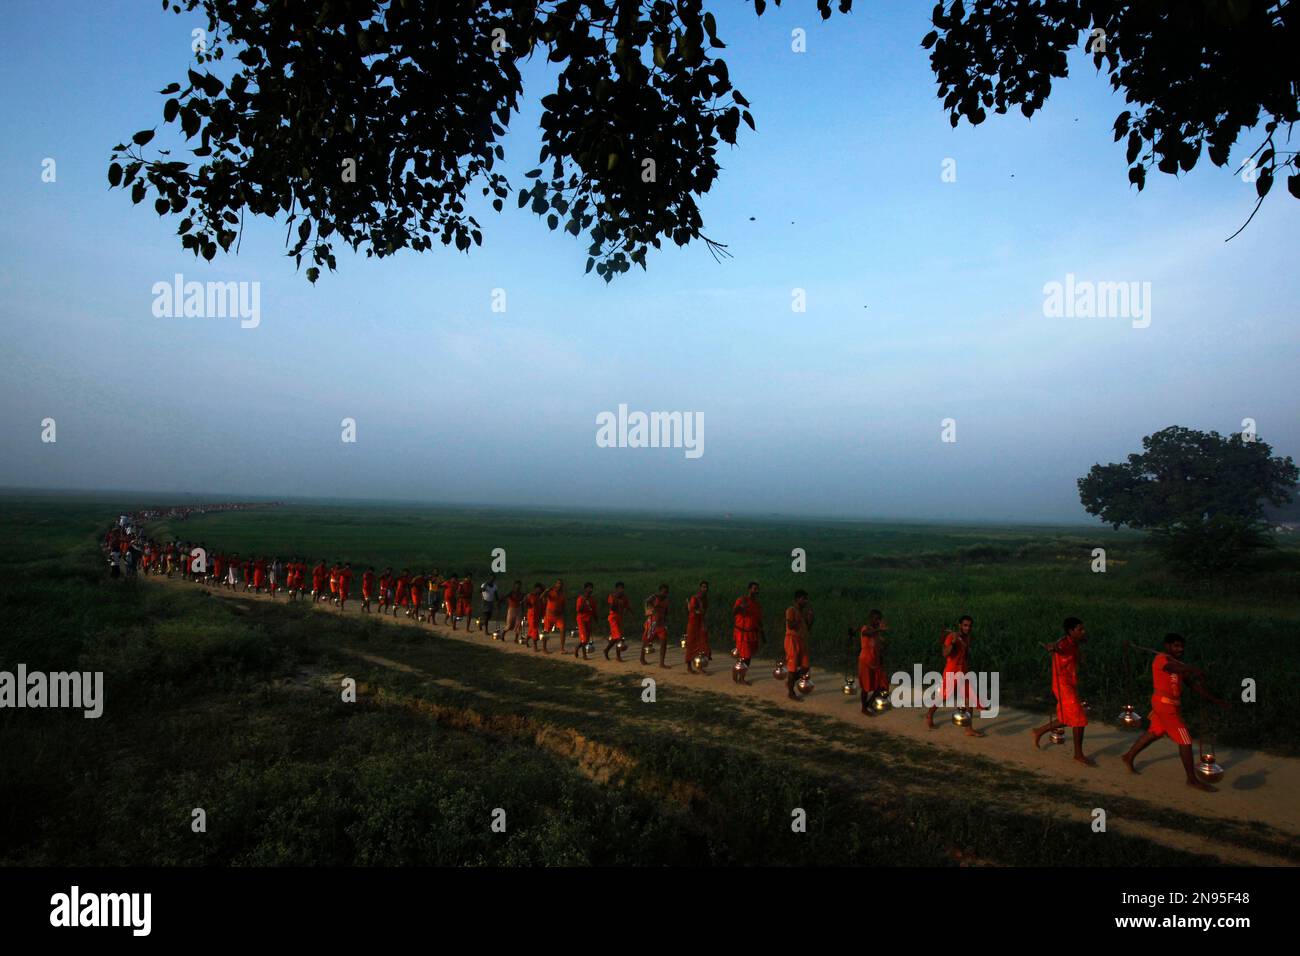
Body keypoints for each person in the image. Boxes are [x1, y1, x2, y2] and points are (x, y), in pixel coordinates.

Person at [1122, 634, 1231, 790]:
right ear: (1167, 646)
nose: (1180, 649)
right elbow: (1172, 668)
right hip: (1164, 705)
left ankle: (1128, 757)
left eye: (1182, 646)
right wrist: (1193, 669)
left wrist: (1215, 700)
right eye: (1176, 646)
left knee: (1155, 732)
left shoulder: (1179, 664)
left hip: (1170, 705)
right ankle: (1192, 780)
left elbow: (1192, 685)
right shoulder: (1162, 659)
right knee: (1185, 740)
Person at [1031, 617, 1094, 765]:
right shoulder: (1063, 644)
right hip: (1062, 685)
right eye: (1080, 629)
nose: (1083, 631)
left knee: (1068, 716)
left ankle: (1039, 731)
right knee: (1079, 719)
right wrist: (1052, 648)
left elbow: (1080, 646)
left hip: (1070, 683)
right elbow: (1059, 648)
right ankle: (1078, 754)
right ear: (1071, 631)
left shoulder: (1074, 641)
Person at [925, 615, 984, 737]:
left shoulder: (967, 638)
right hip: (951, 670)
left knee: (970, 699)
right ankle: (930, 714)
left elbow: (965, 653)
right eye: (965, 625)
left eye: (969, 626)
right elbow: (945, 653)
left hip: (963, 671)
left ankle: (968, 729)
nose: (968, 628)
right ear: (960, 625)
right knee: (944, 696)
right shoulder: (952, 636)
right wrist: (953, 641)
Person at [731, 582, 764, 685]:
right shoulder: (742, 600)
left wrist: (762, 634)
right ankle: (741, 678)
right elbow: (734, 612)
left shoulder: (757, 605)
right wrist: (740, 607)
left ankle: (737, 672)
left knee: (746, 656)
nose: (756, 591)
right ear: (749, 589)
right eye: (754, 588)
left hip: (752, 633)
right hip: (742, 632)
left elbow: (758, 620)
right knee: (746, 656)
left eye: (757, 589)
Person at [784, 590, 813, 701]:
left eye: (806, 599)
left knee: (805, 667)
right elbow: (790, 625)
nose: (806, 601)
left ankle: (789, 682)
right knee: (793, 667)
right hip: (792, 640)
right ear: (797, 599)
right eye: (803, 598)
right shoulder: (791, 610)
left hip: (801, 640)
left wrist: (810, 619)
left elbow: (807, 628)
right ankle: (791, 692)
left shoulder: (803, 612)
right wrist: (801, 619)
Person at [858, 609, 889, 715]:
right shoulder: (866, 629)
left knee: (881, 684)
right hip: (865, 661)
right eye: (876, 619)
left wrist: (884, 645)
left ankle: (869, 703)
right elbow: (868, 633)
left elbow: (881, 645)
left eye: (879, 619)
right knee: (866, 687)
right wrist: (879, 629)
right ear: (870, 619)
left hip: (875, 661)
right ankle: (864, 707)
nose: (877, 621)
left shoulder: (876, 633)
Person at [640, 584, 671, 668]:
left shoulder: (666, 600)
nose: (665, 594)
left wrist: (665, 620)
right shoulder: (654, 597)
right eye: (664, 592)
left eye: (667, 592)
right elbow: (646, 603)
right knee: (646, 641)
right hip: (652, 623)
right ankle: (642, 658)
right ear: (660, 591)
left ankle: (662, 663)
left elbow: (666, 611)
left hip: (661, 623)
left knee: (664, 641)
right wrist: (653, 611)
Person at [684, 580, 711, 674]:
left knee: (702, 645)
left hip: (701, 623)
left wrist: (705, 621)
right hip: (693, 624)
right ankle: (689, 667)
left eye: (706, 587)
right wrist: (699, 612)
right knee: (691, 645)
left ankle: (700, 666)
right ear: (700, 588)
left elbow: (705, 612)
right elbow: (692, 610)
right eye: (703, 587)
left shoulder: (705, 599)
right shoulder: (695, 598)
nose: (705, 589)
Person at [605, 581, 630, 661]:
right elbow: (611, 608)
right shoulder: (612, 596)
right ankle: (618, 657)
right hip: (613, 618)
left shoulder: (624, 597)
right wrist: (615, 599)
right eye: (620, 588)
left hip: (620, 618)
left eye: (623, 588)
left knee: (616, 638)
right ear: (616, 589)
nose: (622, 590)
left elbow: (627, 606)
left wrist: (631, 613)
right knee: (619, 637)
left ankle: (606, 650)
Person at [543, 579, 566, 652]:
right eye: (558, 583)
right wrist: (545, 591)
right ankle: (544, 648)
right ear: (555, 584)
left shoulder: (562, 595)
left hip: (559, 616)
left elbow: (563, 606)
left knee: (563, 630)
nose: (559, 585)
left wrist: (562, 613)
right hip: (549, 615)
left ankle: (562, 648)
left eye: (561, 584)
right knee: (546, 631)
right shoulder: (551, 592)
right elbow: (541, 598)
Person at [574, 582, 596, 657]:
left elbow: (594, 610)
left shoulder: (592, 599)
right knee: (584, 638)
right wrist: (584, 603)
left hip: (589, 620)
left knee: (586, 638)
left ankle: (577, 648)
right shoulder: (580, 599)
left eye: (591, 588)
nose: (590, 589)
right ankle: (584, 655)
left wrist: (596, 619)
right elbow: (578, 610)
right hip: (581, 620)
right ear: (585, 589)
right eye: (589, 588)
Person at [524, 583, 545, 651]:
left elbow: (542, 605)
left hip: (537, 615)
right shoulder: (530, 595)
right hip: (531, 615)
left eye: (541, 589)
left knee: (531, 629)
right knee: (535, 630)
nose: (540, 590)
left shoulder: (539, 596)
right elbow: (525, 603)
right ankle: (535, 647)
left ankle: (526, 640)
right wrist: (529, 605)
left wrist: (542, 614)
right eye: (539, 589)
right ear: (536, 588)